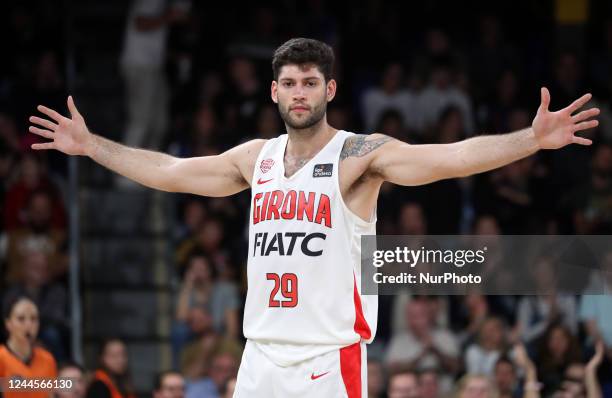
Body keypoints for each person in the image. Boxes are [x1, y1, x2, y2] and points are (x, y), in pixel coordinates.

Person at [28, 37, 599, 397]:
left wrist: (531, 139)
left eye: (310, 83)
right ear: (274, 91)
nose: (299, 93)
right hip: (259, 357)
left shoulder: (358, 155)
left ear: (329, 89)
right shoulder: (256, 159)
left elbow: (449, 158)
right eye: (290, 84)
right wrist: (92, 147)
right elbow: (172, 172)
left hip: (327, 363)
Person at [0, 294, 58, 398]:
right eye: (21, 319)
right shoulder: (1, 358)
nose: (28, 325)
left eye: (33, 319)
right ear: (8, 323)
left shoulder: (48, 359)